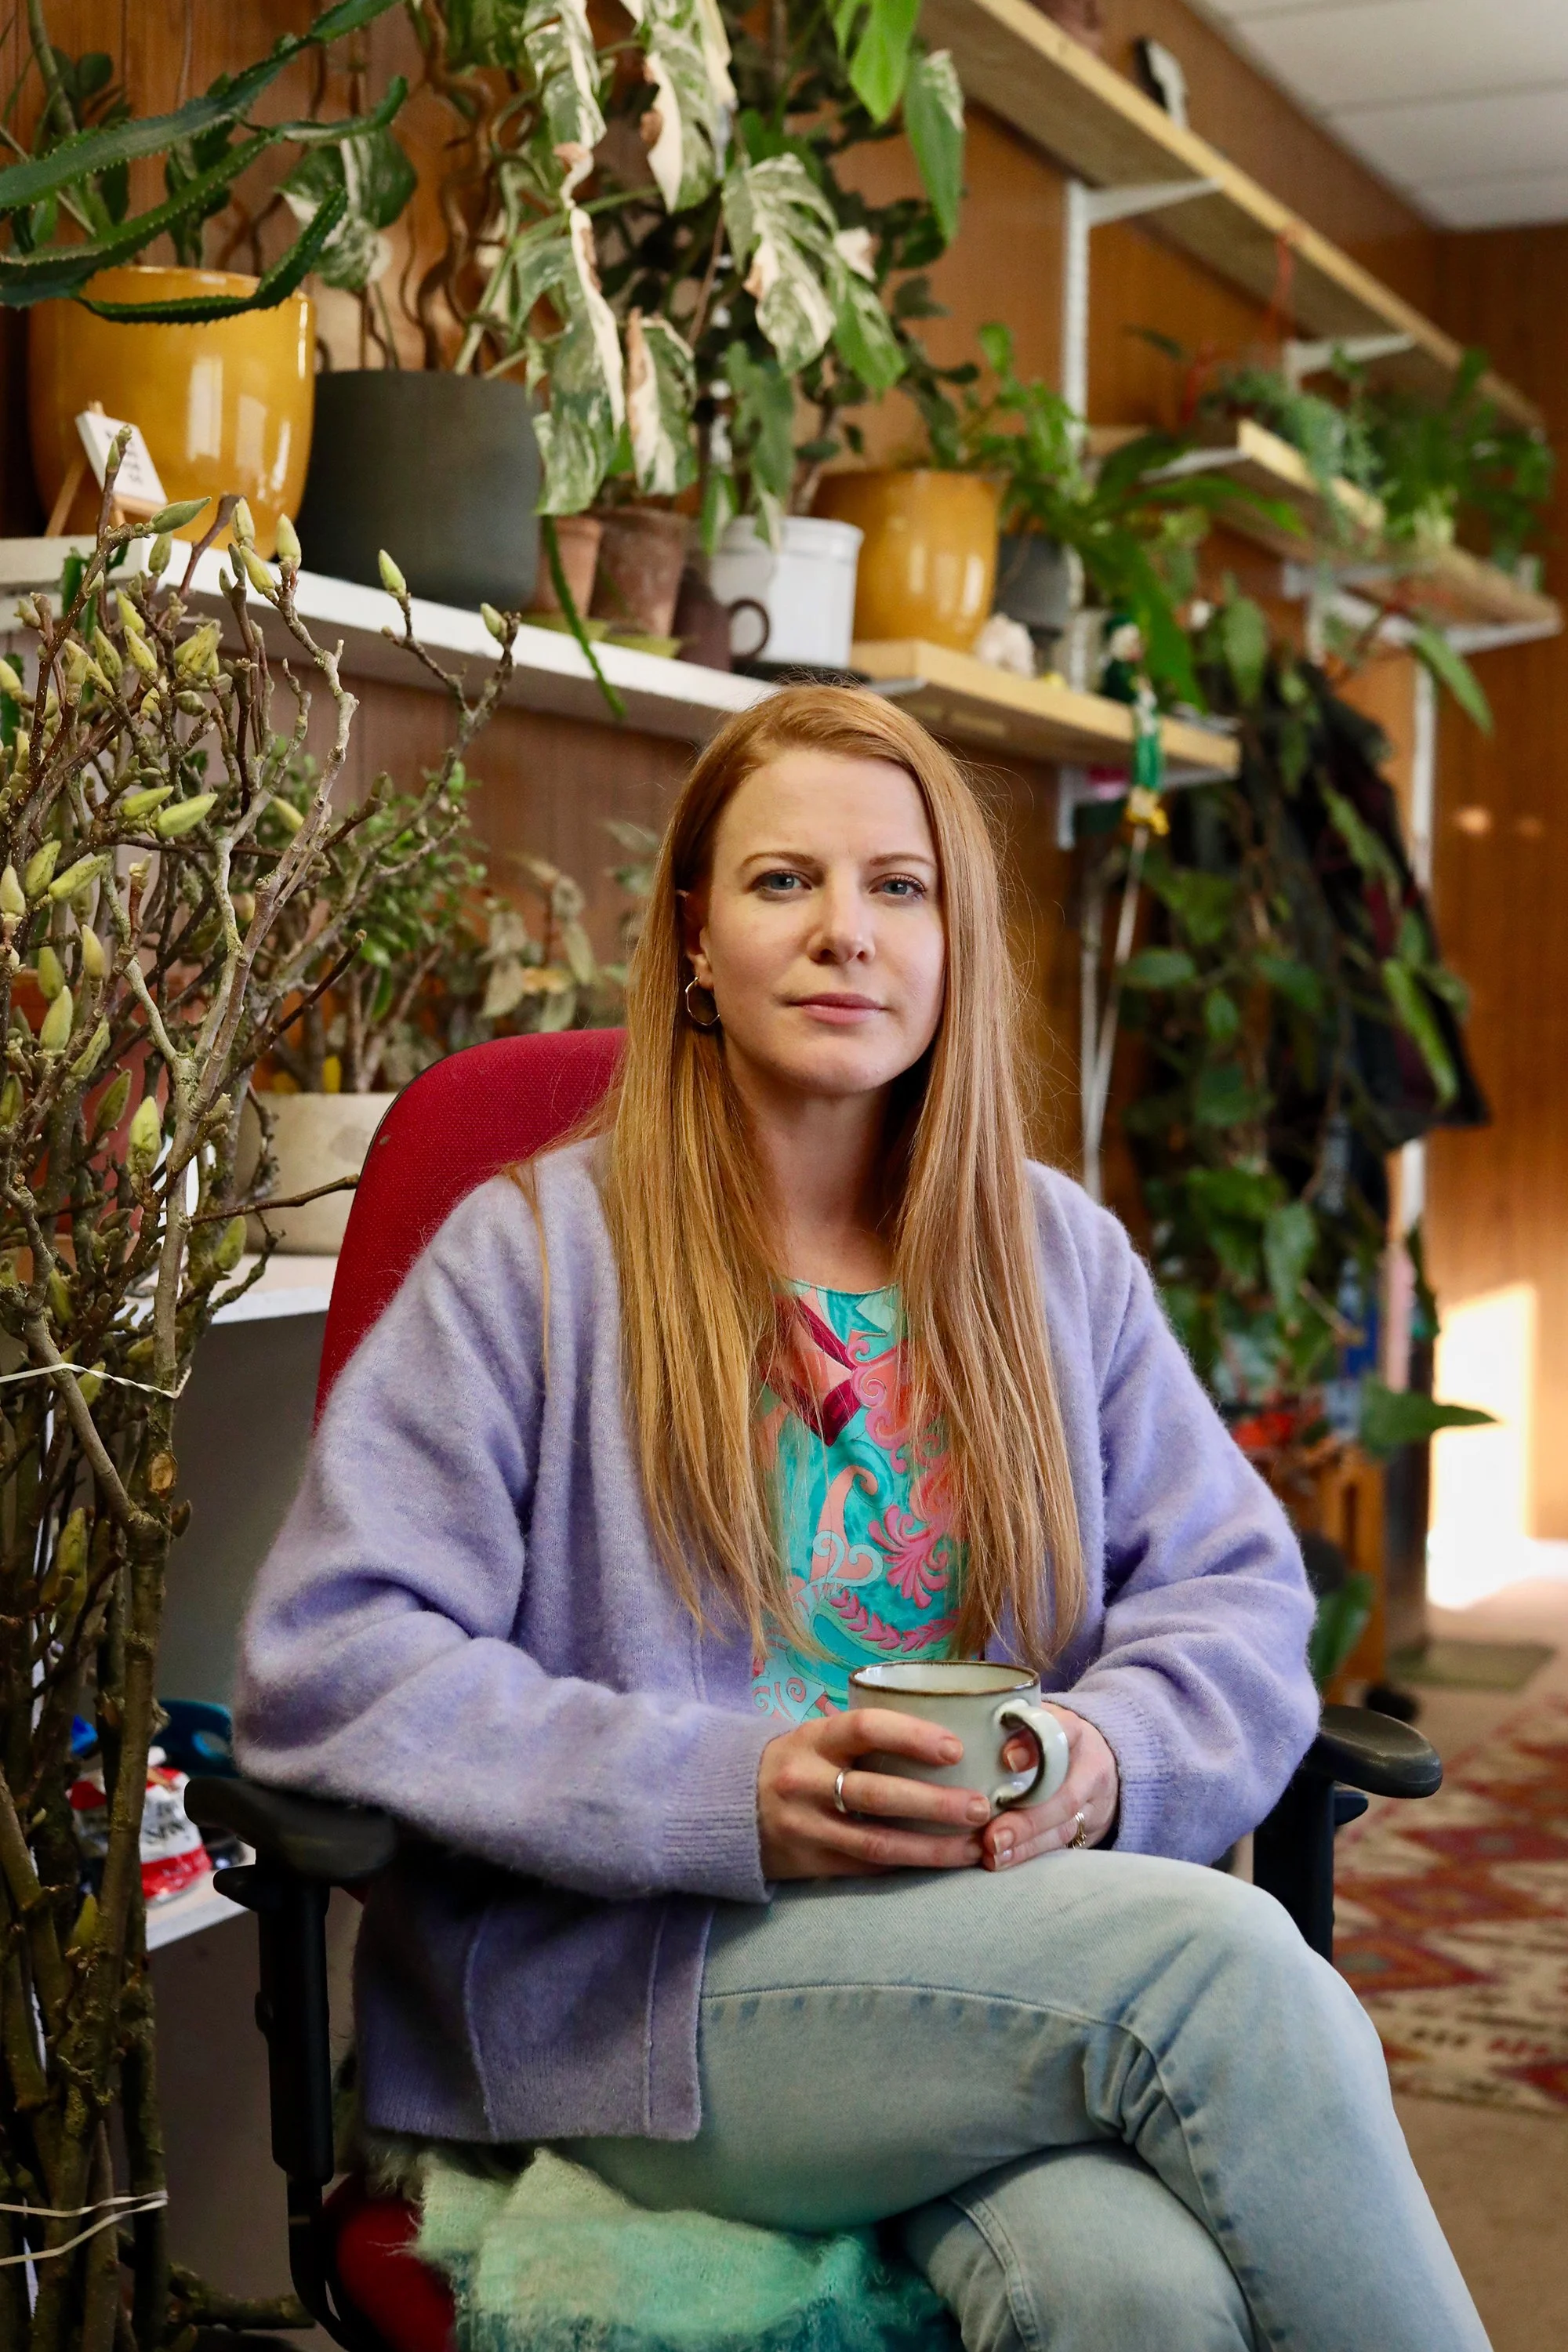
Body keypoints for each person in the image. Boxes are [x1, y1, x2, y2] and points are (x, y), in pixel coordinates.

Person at [236, 686, 1488, 2352]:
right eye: (783, 884)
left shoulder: (1053, 1257)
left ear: (955, 938)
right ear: (693, 932)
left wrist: (1095, 1758)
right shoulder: (536, 1257)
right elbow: (335, 1663)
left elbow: (1233, 1594)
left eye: (897, 888)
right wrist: (726, 1791)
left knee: (1135, 2291)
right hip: (643, 1998)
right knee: (1228, 1969)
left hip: (980, 1964)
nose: (845, 934)